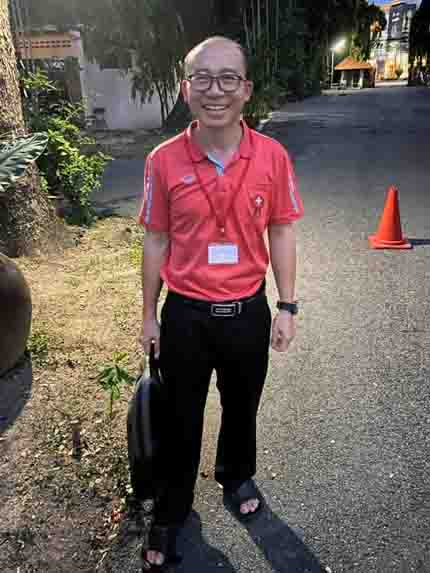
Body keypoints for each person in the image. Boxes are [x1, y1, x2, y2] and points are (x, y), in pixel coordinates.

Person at [138, 36, 304, 570]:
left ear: (246, 89)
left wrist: (287, 306)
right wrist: (149, 316)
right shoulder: (163, 160)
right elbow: (156, 240)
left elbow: (281, 230)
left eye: (228, 78)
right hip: (185, 315)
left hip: (247, 311)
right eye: (203, 78)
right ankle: (172, 508)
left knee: (242, 405)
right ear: (185, 89)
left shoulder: (272, 156)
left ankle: (236, 475)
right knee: (179, 417)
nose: (216, 90)